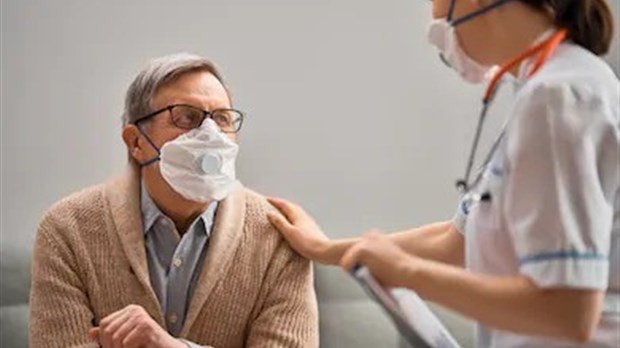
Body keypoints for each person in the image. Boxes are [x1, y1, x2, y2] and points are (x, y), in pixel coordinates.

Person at [267, 0, 619, 347]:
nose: (434, 21)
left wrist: (406, 272)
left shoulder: (558, 96)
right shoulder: (551, 88)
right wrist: (324, 249)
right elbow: (454, 242)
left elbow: (569, 312)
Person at [29, 53, 318, 348]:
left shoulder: (278, 234)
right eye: (186, 117)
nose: (211, 134)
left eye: (222, 118)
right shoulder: (67, 229)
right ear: (137, 142)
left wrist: (166, 345)